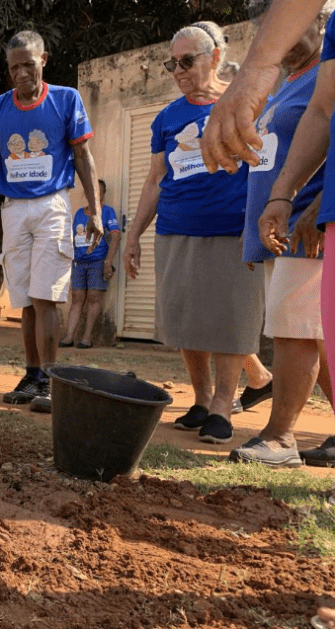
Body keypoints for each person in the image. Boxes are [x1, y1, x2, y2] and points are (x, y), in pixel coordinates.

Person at [123, 22, 264, 445]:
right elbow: (154, 179)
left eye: (188, 61)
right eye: (173, 63)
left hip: (232, 228)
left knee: (230, 319)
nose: (179, 70)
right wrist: (133, 236)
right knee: (185, 319)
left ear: (215, 58)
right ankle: (202, 399)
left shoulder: (244, 104)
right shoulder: (167, 117)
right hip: (176, 228)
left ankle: (223, 405)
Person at [0, 29, 103, 413]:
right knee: (25, 300)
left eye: (27, 64)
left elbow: (83, 158)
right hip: (13, 209)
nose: (20, 73)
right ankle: (32, 374)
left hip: (51, 206)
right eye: (13, 67)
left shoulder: (65, 100)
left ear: (43, 60)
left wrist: (95, 209)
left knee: (46, 298)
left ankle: (52, 379)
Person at [228, 0, 335, 468]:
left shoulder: (320, 76)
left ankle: (280, 437)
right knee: (312, 332)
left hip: (309, 222)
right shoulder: (285, 85)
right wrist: (258, 223)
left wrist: (315, 205)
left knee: (295, 329)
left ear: (314, 17)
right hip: (283, 222)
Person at [201, 0, 329, 174]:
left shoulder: (326, 77)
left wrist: (282, 195)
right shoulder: (283, 86)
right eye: (266, 32)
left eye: (286, 26)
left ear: (320, 20)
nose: (276, 38)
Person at [59, 179, 120, 349]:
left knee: (94, 297)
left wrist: (108, 262)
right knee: (77, 298)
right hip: (79, 262)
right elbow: (70, 238)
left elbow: (116, 236)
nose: (93, 195)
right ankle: (69, 336)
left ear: (102, 195)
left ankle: (86, 337)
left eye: (98, 192)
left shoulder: (108, 212)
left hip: (97, 261)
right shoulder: (79, 213)